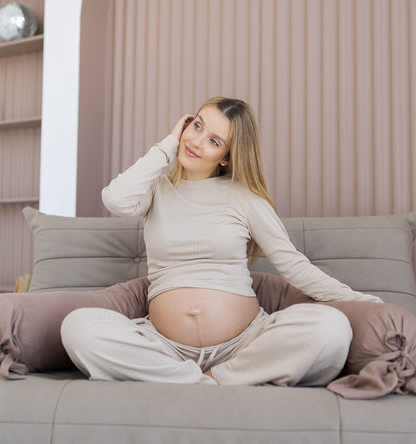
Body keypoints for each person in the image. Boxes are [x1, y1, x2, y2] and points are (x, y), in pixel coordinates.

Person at [61, 97, 382, 386]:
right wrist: (168, 144)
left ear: (227, 157)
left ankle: (221, 377)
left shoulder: (245, 198)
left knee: (331, 328)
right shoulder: (156, 189)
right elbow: (115, 200)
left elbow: (294, 266)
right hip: (163, 345)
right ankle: (194, 382)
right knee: (78, 327)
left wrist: (360, 301)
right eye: (196, 126)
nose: (196, 142)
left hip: (245, 343)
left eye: (213, 140)